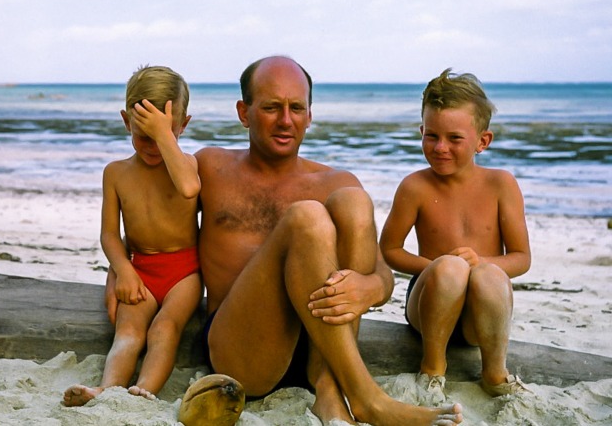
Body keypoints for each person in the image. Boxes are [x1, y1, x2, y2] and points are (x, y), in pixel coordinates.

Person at [195, 56, 463, 425]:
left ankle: (330, 391)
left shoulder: (334, 182)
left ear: (310, 114)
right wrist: (124, 274)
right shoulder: (210, 167)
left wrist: (369, 287)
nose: (286, 120)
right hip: (244, 353)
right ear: (244, 112)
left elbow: (382, 274)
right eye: (272, 107)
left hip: (321, 351)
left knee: (352, 200)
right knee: (306, 217)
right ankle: (367, 397)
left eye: (296, 108)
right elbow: (157, 230)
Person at [379, 68, 531, 400]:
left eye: (454, 138)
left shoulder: (502, 185)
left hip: (480, 315)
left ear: (482, 141)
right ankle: (432, 368)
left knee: (490, 275)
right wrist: (435, 268)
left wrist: (479, 264)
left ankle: (494, 372)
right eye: (431, 135)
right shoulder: (414, 187)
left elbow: (521, 259)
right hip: (429, 303)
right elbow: (389, 249)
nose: (440, 147)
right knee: (450, 268)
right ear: (421, 131)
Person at [63, 65, 202, 406]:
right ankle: (107, 389)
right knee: (127, 331)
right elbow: (109, 234)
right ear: (127, 122)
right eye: (144, 135)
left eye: (164, 135)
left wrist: (163, 135)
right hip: (139, 269)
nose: (154, 145)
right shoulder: (116, 173)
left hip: (185, 272)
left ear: (182, 126)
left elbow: (188, 188)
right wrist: (122, 269)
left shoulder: (189, 165)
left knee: (164, 328)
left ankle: (146, 390)